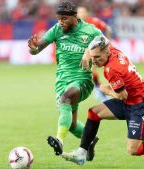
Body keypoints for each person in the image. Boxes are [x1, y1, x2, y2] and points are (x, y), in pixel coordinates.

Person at [61, 35, 144, 165]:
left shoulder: (112, 70)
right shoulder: (112, 50)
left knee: (134, 149)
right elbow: (96, 46)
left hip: (139, 106)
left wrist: (106, 90)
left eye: (97, 57)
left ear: (106, 52)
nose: (94, 61)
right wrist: (86, 54)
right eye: (92, 56)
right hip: (128, 102)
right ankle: (81, 153)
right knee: (94, 113)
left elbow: (122, 96)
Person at [27, 1, 102, 161]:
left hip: (82, 80)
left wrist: (90, 52)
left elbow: (107, 49)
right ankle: (89, 140)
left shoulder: (91, 31)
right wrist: (33, 48)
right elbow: (37, 49)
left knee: (66, 99)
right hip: (62, 81)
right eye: (58, 18)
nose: (60, 22)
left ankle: (59, 140)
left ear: (74, 17)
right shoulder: (57, 29)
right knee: (72, 124)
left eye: (64, 19)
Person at [77, 6, 112, 102]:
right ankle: (98, 89)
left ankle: (101, 91)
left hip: (93, 52)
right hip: (81, 52)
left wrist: (106, 43)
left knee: (92, 71)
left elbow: (108, 29)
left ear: (87, 13)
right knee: (88, 73)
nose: (81, 14)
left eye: (83, 12)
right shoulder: (75, 25)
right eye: (79, 12)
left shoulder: (94, 21)